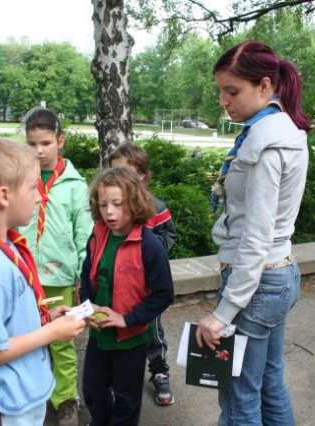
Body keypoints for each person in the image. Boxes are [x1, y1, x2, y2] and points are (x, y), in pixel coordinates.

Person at [195, 40, 312, 426]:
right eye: (220, 92)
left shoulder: (264, 142)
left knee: (239, 394)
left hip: (257, 282)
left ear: (264, 86)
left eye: (232, 91)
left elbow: (256, 238)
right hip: (278, 275)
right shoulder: (283, 129)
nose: (223, 101)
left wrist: (224, 311)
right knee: (268, 379)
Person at [0, 137, 86, 425]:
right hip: (0, 406)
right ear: (4, 196)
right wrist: (51, 334)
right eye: (32, 187)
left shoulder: (4, 245)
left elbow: (4, 318)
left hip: (18, 397)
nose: (40, 196)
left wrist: (45, 320)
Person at [79, 167, 174, 425]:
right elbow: (87, 276)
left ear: (134, 202)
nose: (109, 211)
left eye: (117, 204)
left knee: (126, 398)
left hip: (131, 340)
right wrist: (87, 308)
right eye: (103, 204)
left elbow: (164, 294)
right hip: (100, 336)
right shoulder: (98, 235)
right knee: (92, 390)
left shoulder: (148, 244)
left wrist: (127, 319)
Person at [17, 108, 93, 426]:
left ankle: (65, 400)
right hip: (23, 275)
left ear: (60, 141)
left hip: (59, 276)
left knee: (61, 343)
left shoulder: (75, 185)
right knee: (25, 338)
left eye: (46, 143)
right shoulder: (21, 180)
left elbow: (84, 233)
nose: (39, 151)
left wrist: (81, 277)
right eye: (32, 144)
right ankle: (30, 394)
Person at [108, 142, 178, 406]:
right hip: (117, 286)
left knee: (151, 329)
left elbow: (169, 234)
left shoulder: (154, 207)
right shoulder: (109, 209)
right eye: (114, 172)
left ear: (142, 176)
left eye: (126, 172)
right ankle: (118, 378)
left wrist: (148, 255)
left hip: (146, 287)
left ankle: (159, 370)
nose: (119, 179)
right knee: (118, 328)